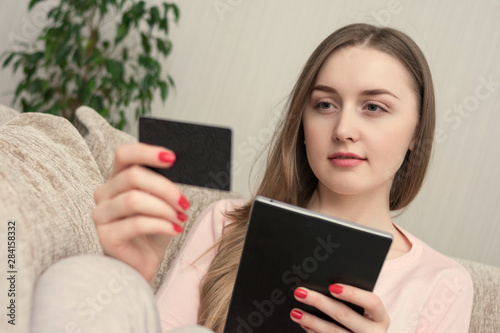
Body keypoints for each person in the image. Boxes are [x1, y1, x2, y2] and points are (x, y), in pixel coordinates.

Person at [53, 23, 473, 333]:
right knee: (67, 280)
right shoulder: (227, 222)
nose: (344, 128)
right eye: (325, 104)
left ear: (417, 131)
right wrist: (129, 276)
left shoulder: (443, 284)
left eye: (374, 107)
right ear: (302, 122)